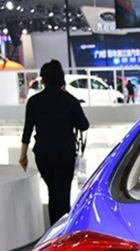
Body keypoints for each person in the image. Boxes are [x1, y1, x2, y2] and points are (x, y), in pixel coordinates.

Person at [20, 59, 90, 225]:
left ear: (43, 79)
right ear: (61, 78)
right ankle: (63, 230)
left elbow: (27, 130)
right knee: (63, 192)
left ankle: (53, 228)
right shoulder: (70, 100)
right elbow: (84, 125)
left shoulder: (34, 101)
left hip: (43, 154)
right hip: (65, 153)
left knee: (52, 191)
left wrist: (23, 156)